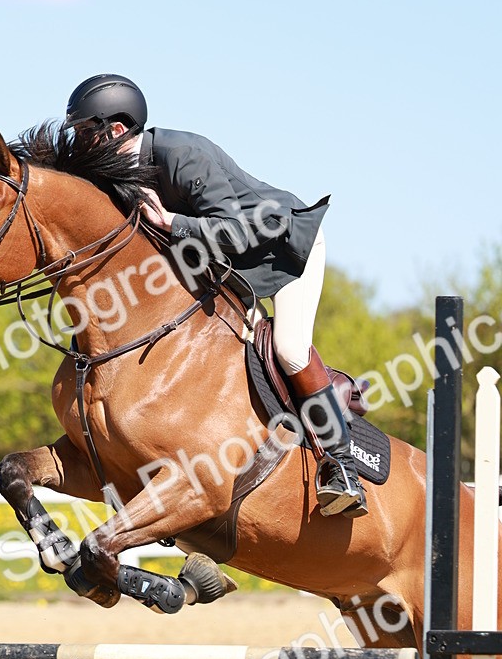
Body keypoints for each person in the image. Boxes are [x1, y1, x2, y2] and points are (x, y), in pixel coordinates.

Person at [64, 73, 367, 518]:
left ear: (115, 130)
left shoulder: (183, 155)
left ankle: (340, 464)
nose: (80, 143)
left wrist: (172, 223)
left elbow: (241, 231)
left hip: (280, 245)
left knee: (289, 348)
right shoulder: (116, 172)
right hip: (221, 258)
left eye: (85, 132)